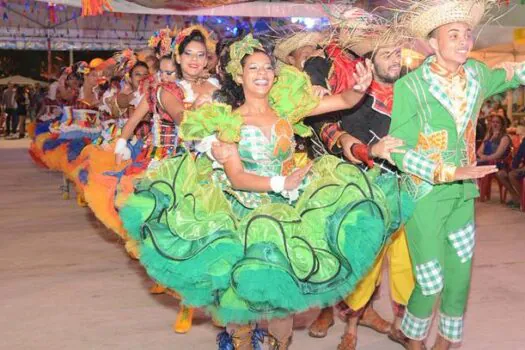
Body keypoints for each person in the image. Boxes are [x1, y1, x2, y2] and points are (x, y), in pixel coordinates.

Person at [118, 33, 411, 350]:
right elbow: (238, 178)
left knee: (279, 302)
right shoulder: (228, 121)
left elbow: (343, 102)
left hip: (287, 217)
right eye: (253, 68)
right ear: (239, 76)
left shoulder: (286, 110)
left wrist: (358, 87)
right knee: (242, 303)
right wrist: (280, 183)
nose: (261, 74)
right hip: (244, 216)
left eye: (267, 68)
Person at [386, 1, 525, 349]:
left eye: (467, 34)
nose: (464, 41)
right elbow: (398, 150)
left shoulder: (477, 74)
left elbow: (512, 72)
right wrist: (447, 169)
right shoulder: (410, 87)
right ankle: (415, 340)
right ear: (432, 43)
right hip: (425, 195)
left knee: (460, 279)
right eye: (454, 35)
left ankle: (447, 343)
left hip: (464, 194)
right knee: (430, 281)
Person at [306, 11, 414, 350]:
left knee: (405, 263)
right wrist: (365, 151)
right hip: (359, 184)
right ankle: (349, 327)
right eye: (387, 54)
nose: (396, 59)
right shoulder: (346, 84)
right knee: (362, 260)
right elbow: (331, 130)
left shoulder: (412, 91)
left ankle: (403, 326)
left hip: (407, 188)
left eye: (398, 53)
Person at [497, 125, 525, 209]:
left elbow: (519, 156)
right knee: (501, 174)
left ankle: (522, 200)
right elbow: (518, 156)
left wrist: (514, 166)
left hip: (518, 166)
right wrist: (514, 165)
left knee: (512, 175)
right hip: (513, 165)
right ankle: (516, 198)